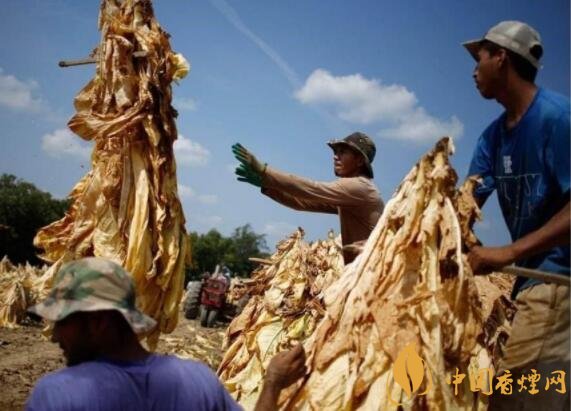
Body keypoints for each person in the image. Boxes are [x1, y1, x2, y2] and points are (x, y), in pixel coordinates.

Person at [25, 257, 306, 411]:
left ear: (99, 322)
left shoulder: (58, 394)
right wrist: (273, 384)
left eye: (62, 321)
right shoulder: (199, 380)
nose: (55, 335)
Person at [463, 21, 570, 409]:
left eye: (480, 58)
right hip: (528, 284)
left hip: (557, 279)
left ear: (502, 58)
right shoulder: (491, 138)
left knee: (513, 399)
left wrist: (507, 253)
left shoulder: (558, 119)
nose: (474, 70)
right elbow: (466, 205)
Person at [232, 132, 384, 264]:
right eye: (335, 152)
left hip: (371, 276)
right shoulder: (350, 196)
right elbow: (304, 203)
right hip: (360, 275)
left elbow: (312, 189)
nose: (335, 157)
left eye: (342, 152)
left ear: (359, 161)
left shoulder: (360, 187)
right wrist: (267, 185)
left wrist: (265, 171)